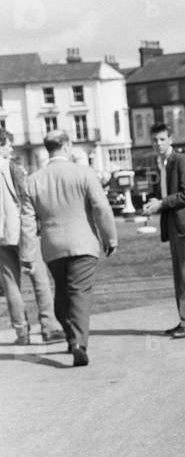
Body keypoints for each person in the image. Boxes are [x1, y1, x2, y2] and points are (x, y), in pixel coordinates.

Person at [20, 130, 117, 367]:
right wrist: (110, 238)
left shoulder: (33, 181)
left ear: (47, 148)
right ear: (67, 145)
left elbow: (27, 222)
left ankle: (70, 333)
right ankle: (78, 343)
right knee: (80, 293)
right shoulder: (84, 173)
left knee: (63, 293)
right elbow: (101, 208)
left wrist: (27, 255)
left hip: (52, 247)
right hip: (83, 244)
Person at [141, 123, 185, 339]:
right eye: (154, 140)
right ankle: (184, 320)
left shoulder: (182, 162)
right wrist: (154, 203)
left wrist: (161, 203)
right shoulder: (164, 164)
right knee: (180, 276)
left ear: (171, 139)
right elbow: (168, 195)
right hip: (175, 226)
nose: (158, 144)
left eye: (161, 139)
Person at [0, 130, 62, 346]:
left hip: (1, 236)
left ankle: (21, 332)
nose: (11, 149)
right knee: (39, 279)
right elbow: (26, 197)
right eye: (8, 144)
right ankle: (49, 326)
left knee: (10, 284)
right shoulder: (12, 167)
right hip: (22, 231)